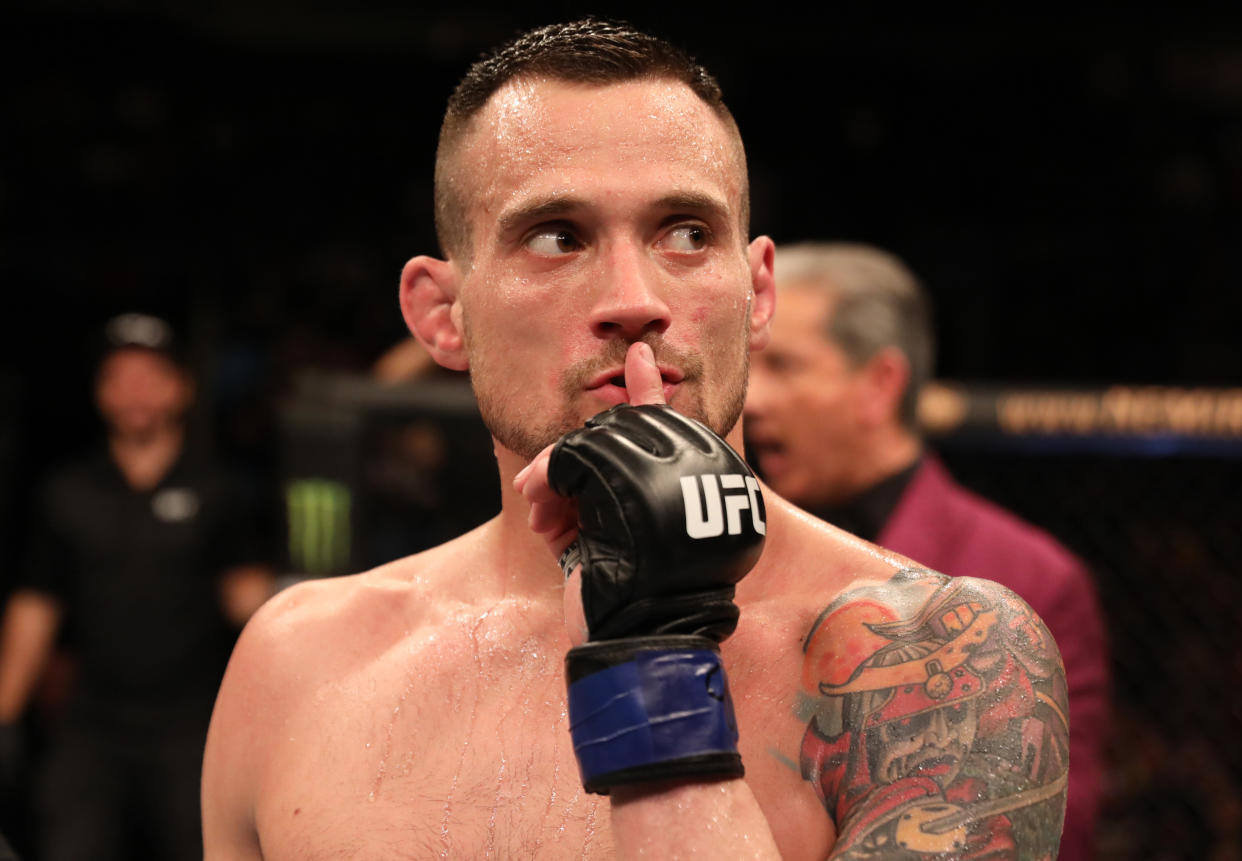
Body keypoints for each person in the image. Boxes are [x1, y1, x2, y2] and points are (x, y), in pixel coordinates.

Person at [203, 20, 1069, 859]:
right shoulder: (297, 664)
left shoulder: (939, 660)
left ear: (756, 291)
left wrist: (655, 657)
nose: (633, 296)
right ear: (442, 314)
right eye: (557, 236)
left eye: (686, 234)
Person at [744, 241, 1109, 859]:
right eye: (751, 369)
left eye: (784, 366)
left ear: (880, 384)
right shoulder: (719, 549)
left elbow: (1048, 825)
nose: (753, 400)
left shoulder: (1032, 576)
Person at [0, 312, 274, 861]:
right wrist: (4, 712)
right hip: (90, 725)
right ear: (100, 393)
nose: (135, 391)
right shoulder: (67, 492)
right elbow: (35, 608)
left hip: (192, 727)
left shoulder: (219, 489)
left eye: (150, 375)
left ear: (181, 388)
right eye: (119, 377)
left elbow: (252, 608)